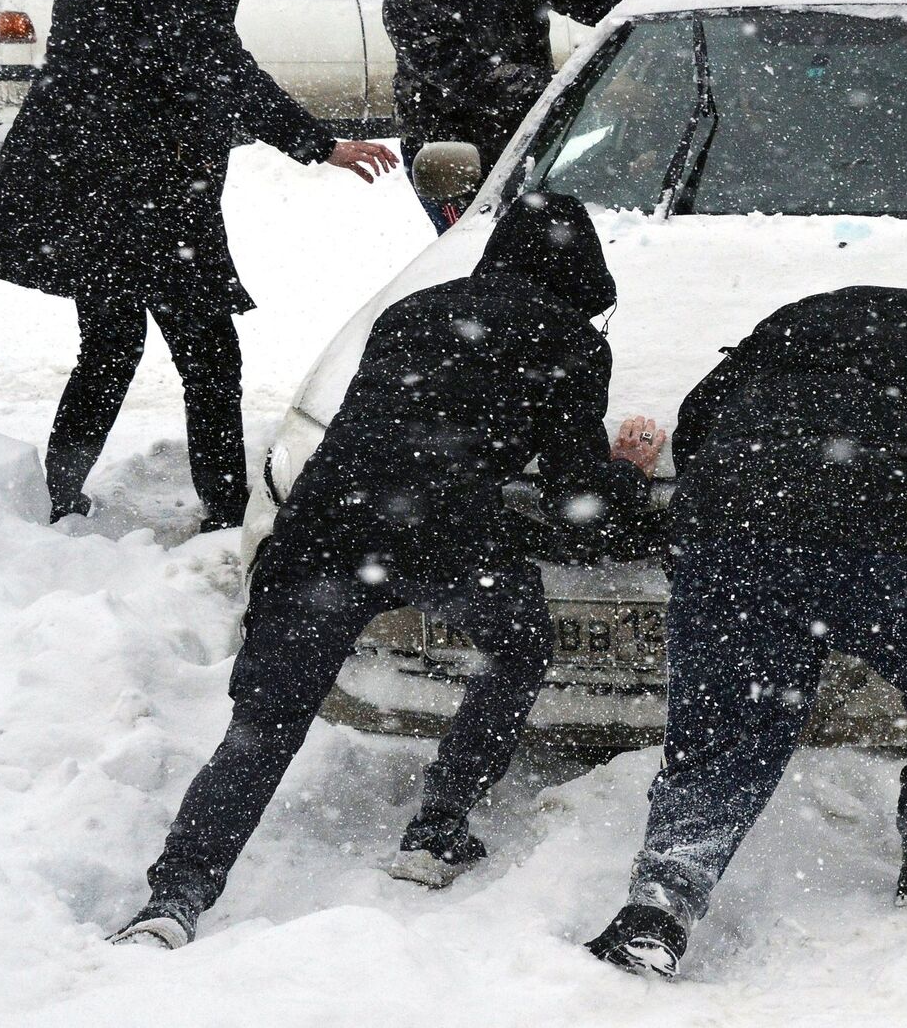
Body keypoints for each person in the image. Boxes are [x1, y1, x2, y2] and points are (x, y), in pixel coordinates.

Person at [110, 192, 665, 950]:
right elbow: (581, 503)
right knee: (521, 644)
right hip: (445, 531)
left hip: (327, 522)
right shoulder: (569, 339)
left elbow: (383, 423)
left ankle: (174, 897)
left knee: (264, 725)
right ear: (582, 271)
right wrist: (625, 471)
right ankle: (434, 833)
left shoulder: (412, 310)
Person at [586, 247, 907, 980]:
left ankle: (659, 904)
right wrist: (899, 621)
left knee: (723, 725)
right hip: (876, 540)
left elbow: (699, 417)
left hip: (726, 529)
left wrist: (742, 507)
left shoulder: (828, 308)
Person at [0, 0, 395, 529]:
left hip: (89, 168)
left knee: (109, 344)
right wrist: (318, 143)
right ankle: (226, 512)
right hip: (146, 182)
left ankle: (59, 494)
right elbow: (213, 64)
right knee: (207, 353)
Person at [383, 0, 643, 233]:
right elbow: (477, 80)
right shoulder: (407, 1)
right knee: (480, 251)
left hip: (528, 129)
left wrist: (634, 2)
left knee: (544, 242)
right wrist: (585, 90)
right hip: (449, 150)